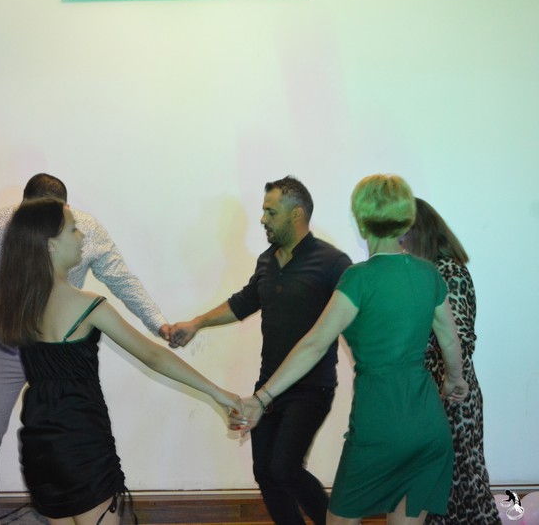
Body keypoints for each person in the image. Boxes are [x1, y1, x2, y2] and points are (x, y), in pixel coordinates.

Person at [0, 198, 241, 524]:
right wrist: (220, 394)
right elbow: (153, 355)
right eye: (73, 230)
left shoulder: (14, 305)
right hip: (82, 445)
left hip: (40, 447)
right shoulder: (89, 306)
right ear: (51, 244)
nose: (81, 236)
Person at [238, 175, 469, 525]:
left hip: (379, 425)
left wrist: (262, 398)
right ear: (405, 219)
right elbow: (450, 341)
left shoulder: (358, 279)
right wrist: (454, 381)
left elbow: (314, 344)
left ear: (362, 222)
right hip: (428, 426)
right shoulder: (428, 274)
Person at [0, 173, 172, 524]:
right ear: (21, 209)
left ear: (65, 209)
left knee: (66, 437)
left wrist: (158, 322)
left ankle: (70, 508)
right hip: (5, 339)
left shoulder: (85, 230)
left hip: (59, 347)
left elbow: (120, 278)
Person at [169, 176, 351, 525]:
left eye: (271, 212)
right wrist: (196, 323)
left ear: (296, 214)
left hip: (312, 388)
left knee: (284, 467)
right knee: (265, 472)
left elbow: (355, 314)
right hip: (268, 386)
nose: (263, 219)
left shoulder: (332, 262)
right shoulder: (267, 261)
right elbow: (244, 302)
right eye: (263, 211)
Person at [401, 198, 500, 524]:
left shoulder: (449, 272)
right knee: (436, 490)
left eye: (401, 234)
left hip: (452, 398)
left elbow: (459, 339)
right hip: (430, 395)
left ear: (418, 232)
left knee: (464, 489)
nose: (397, 243)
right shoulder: (420, 274)